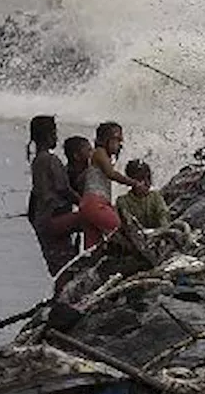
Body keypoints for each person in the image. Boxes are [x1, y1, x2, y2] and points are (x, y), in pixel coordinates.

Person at [26, 116, 81, 275]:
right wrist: (84, 203)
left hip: (42, 219)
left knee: (60, 265)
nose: (56, 137)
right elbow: (63, 189)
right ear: (48, 135)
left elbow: (35, 195)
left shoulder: (37, 161)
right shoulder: (51, 160)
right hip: (54, 217)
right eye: (54, 133)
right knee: (89, 218)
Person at [79, 121, 146, 249]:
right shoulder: (99, 152)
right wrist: (134, 183)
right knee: (121, 231)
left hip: (88, 205)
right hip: (96, 204)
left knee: (94, 248)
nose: (120, 144)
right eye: (117, 140)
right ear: (106, 140)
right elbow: (111, 174)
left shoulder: (99, 156)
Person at [115, 159, 171, 229]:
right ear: (131, 181)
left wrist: (163, 228)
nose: (147, 183)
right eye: (140, 179)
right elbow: (127, 225)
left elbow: (163, 217)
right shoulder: (123, 202)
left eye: (148, 178)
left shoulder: (155, 197)